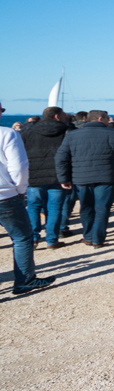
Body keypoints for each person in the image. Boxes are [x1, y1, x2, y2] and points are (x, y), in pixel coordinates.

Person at [55, 110, 114, 249]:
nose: (109, 120)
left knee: (86, 207)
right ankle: (97, 238)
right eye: (106, 118)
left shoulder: (73, 135)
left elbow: (61, 158)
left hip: (81, 177)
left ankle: (89, 236)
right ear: (99, 118)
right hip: (106, 176)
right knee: (102, 208)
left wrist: (63, 178)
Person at [0, 102, 56, 295]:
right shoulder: (7, 134)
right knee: (22, 237)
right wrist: (19, 189)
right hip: (5, 194)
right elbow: (19, 166)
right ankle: (25, 280)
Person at [21, 106, 72, 250]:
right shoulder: (65, 130)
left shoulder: (28, 130)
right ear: (56, 116)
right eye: (63, 114)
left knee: (33, 207)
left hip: (34, 174)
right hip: (58, 175)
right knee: (54, 208)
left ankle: (34, 238)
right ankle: (51, 239)